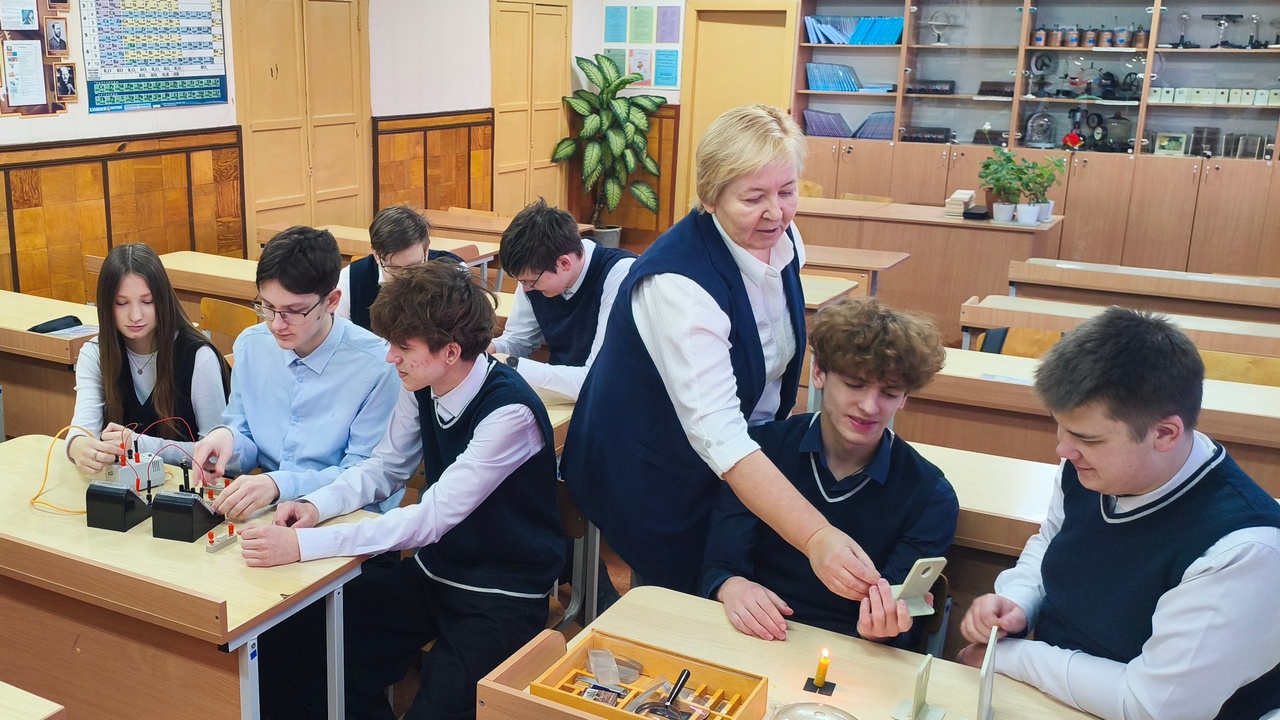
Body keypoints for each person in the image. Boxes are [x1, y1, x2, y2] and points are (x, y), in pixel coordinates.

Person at [561, 103, 881, 598]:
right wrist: (816, 537)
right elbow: (720, 435)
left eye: (787, 191)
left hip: (732, 448)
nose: (776, 212)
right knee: (684, 593)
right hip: (649, 464)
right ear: (709, 197)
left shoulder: (782, 238)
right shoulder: (678, 285)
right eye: (753, 197)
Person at [237, 261, 564, 720]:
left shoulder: (509, 413)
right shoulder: (422, 382)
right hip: (435, 573)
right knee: (305, 646)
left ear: (450, 351)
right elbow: (385, 468)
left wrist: (302, 546)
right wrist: (315, 505)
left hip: (502, 593)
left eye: (403, 347)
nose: (390, 357)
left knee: (442, 704)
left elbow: (429, 520)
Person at [957, 307, 1280, 720]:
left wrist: (1011, 657)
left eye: (1087, 438)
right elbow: (1052, 541)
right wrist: (1018, 600)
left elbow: (1150, 706)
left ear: (1164, 434)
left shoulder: (1244, 550)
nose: (1063, 449)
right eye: (1060, 427)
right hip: (1054, 693)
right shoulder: (1089, 465)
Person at [702, 296, 957, 647]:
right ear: (819, 373)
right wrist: (732, 587)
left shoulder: (930, 496)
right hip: (754, 633)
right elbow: (720, 563)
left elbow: (902, 620)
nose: (869, 406)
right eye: (855, 384)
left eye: (889, 393)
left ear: (904, 398)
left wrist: (882, 629)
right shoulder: (758, 453)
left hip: (853, 650)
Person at [192, 226, 399, 518]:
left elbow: (365, 474)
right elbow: (245, 433)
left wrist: (279, 484)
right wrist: (227, 438)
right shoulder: (252, 346)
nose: (277, 324)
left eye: (294, 311)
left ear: (332, 301)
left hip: (348, 519)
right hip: (269, 510)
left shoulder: (376, 364)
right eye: (267, 307)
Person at [67, 244, 230, 473]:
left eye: (147, 301)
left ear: (163, 300)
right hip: (125, 484)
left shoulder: (199, 357)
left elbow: (216, 456)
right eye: (121, 303)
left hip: (188, 487)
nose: (135, 315)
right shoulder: (95, 354)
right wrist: (76, 445)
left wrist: (140, 445)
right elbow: (83, 428)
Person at [487, 198, 635, 401]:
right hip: (560, 393)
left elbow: (596, 380)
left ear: (564, 263)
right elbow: (519, 340)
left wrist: (511, 364)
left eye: (530, 281)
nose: (526, 289)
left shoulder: (619, 275)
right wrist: (489, 350)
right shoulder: (536, 274)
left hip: (609, 399)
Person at [336, 204, 462, 330]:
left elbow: (466, 335)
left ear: (426, 250)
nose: (406, 277)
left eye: (414, 267)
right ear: (376, 254)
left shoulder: (455, 274)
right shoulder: (350, 280)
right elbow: (340, 336)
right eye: (394, 268)